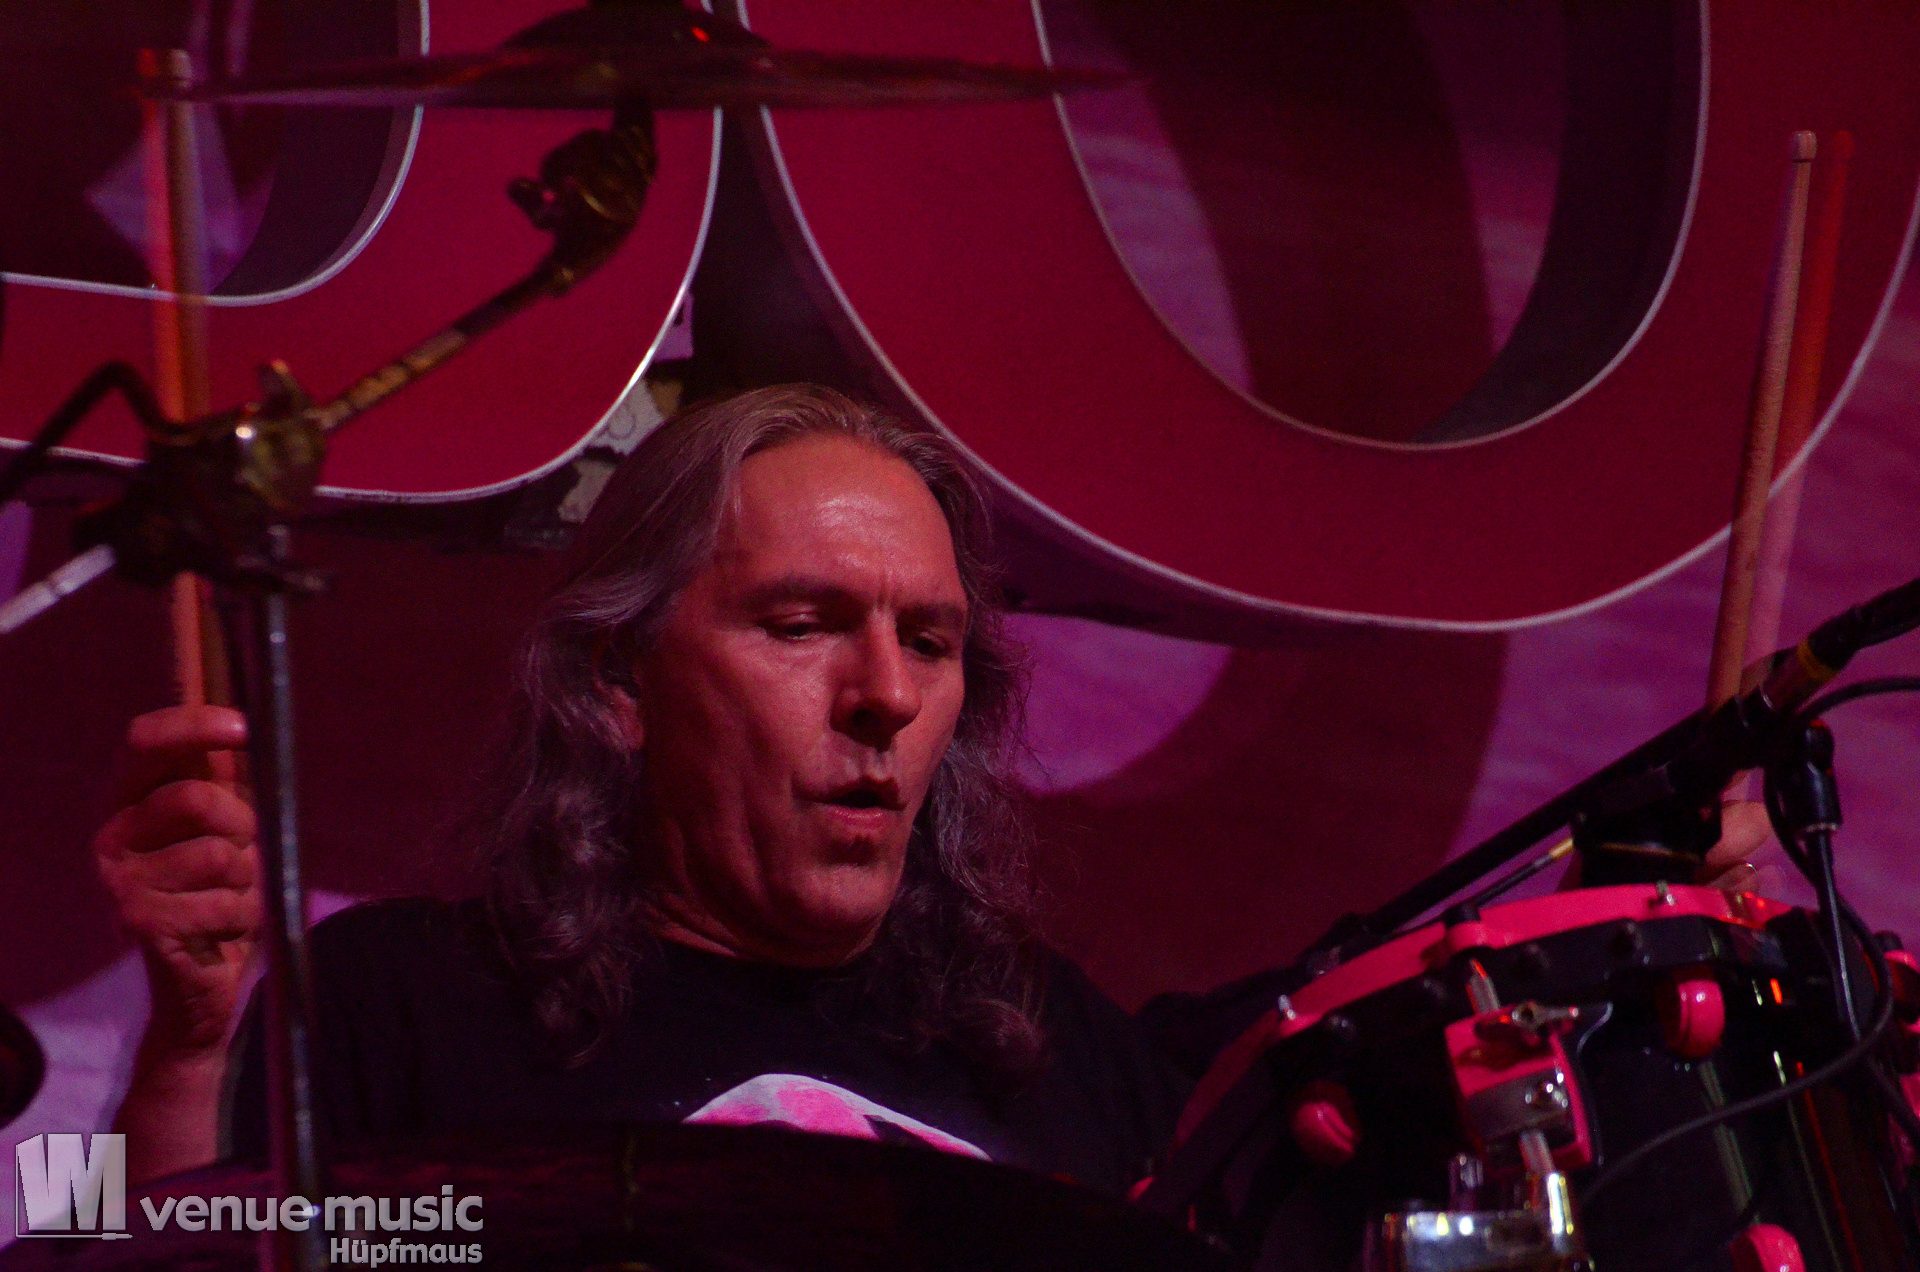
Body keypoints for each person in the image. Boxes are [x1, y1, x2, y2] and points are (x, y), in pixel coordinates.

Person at [95, 384, 1188, 1193]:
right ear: (620, 679)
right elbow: (88, 1235)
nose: (888, 695)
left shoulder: (1063, 1054)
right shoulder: (394, 1003)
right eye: (801, 626)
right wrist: (182, 1056)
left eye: (929, 642)